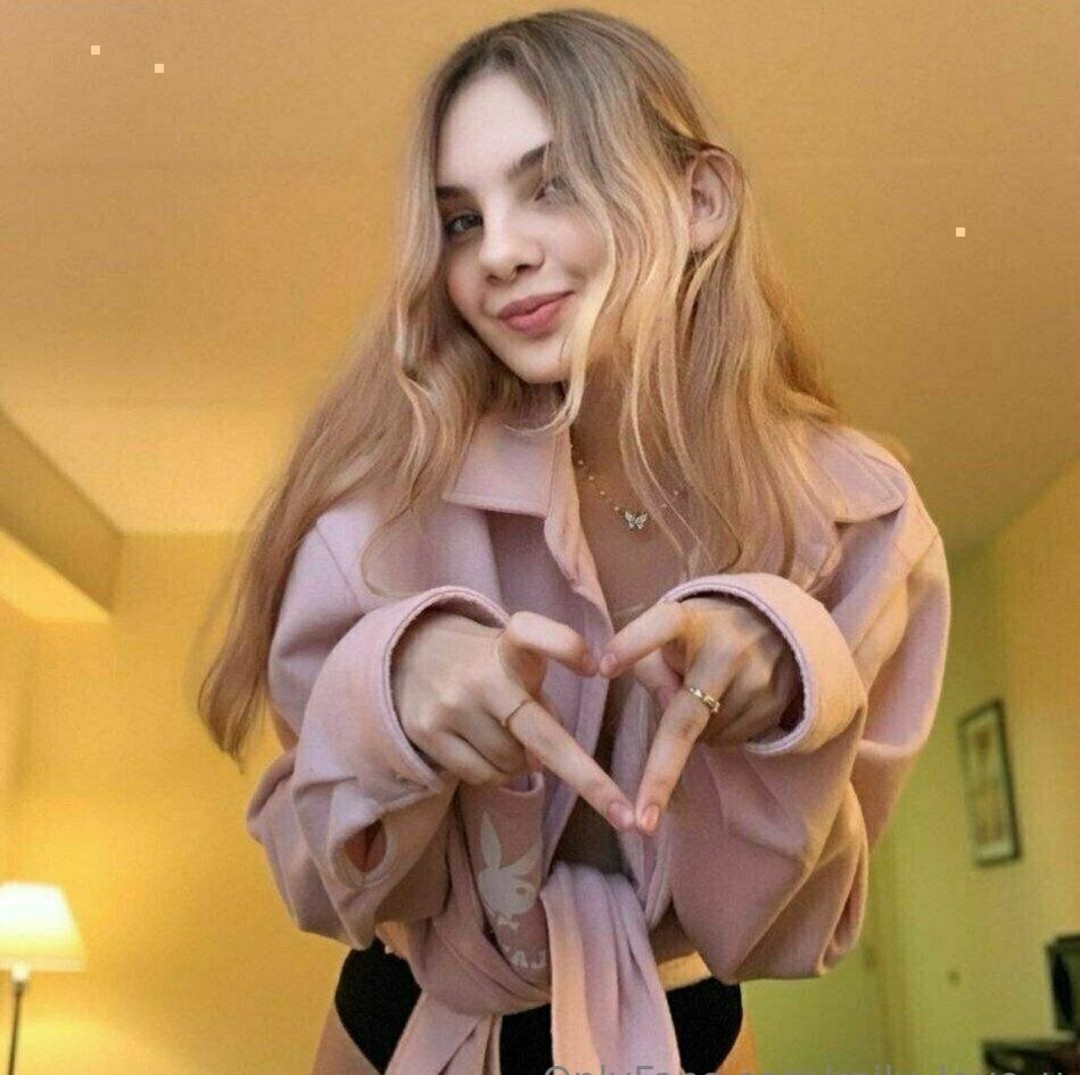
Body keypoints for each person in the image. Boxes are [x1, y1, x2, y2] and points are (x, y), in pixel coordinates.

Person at [196, 8, 952, 1075]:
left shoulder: (857, 519)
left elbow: (793, 930)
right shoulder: (377, 508)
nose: (500, 252)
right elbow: (324, 886)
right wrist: (391, 694)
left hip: (686, 1031)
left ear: (700, 200)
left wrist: (792, 675)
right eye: (461, 221)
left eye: (552, 184)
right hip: (400, 1022)